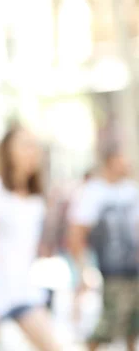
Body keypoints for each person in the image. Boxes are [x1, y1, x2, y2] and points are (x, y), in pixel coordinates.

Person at [0, 125, 60, 351]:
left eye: (34, 145)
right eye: (25, 145)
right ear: (8, 151)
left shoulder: (36, 197)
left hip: (22, 290)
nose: (32, 151)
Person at [68, 145, 139, 351]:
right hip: (111, 267)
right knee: (111, 321)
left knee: (133, 320)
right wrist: (83, 269)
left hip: (133, 266)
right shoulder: (94, 193)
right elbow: (77, 233)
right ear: (110, 162)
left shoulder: (131, 191)